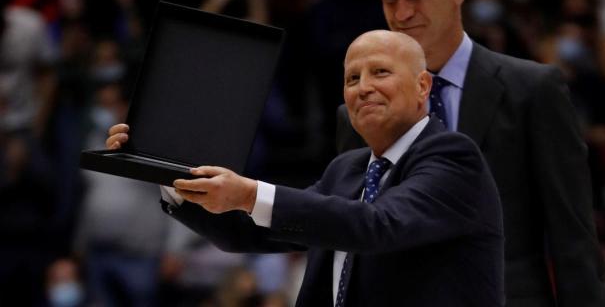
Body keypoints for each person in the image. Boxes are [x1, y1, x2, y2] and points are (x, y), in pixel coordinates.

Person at [107, 30, 504, 306]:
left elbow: (377, 225)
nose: (362, 87)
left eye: (380, 72)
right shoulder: (346, 170)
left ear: (423, 87)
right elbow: (249, 230)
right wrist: (163, 167)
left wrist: (249, 193)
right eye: (352, 78)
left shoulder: (452, 157)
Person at [335, 0, 605, 306]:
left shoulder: (532, 91)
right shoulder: (358, 113)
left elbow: (573, 238)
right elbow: (348, 237)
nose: (401, 14)